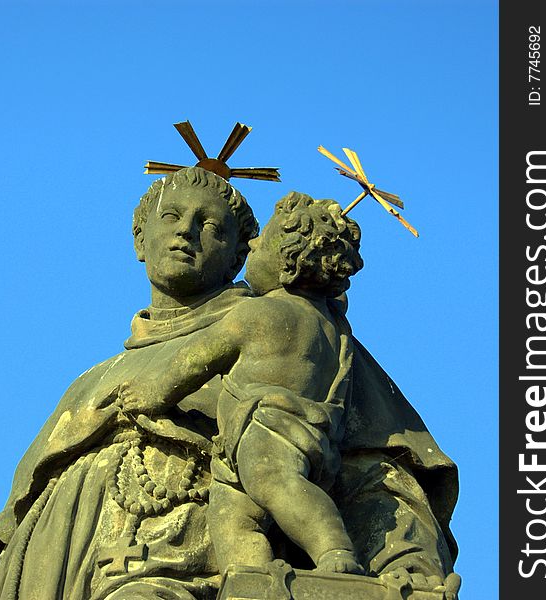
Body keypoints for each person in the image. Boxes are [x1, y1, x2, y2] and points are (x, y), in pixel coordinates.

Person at [0, 167, 458, 600]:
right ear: (139, 240)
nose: (186, 230)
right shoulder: (90, 382)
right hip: (60, 573)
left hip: (189, 581)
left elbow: (382, 473)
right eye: (171, 216)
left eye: (211, 226)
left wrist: (405, 568)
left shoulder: (283, 334)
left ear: (238, 257)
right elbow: (12, 531)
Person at [120, 192, 365, 576]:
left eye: (260, 241)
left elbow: (193, 362)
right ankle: (251, 577)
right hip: (298, 436)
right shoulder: (335, 328)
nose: (252, 245)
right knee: (232, 513)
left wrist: (152, 393)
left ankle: (335, 552)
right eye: (171, 215)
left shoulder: (255, 313)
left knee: (277, 486)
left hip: (265, 430)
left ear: (285, 266)